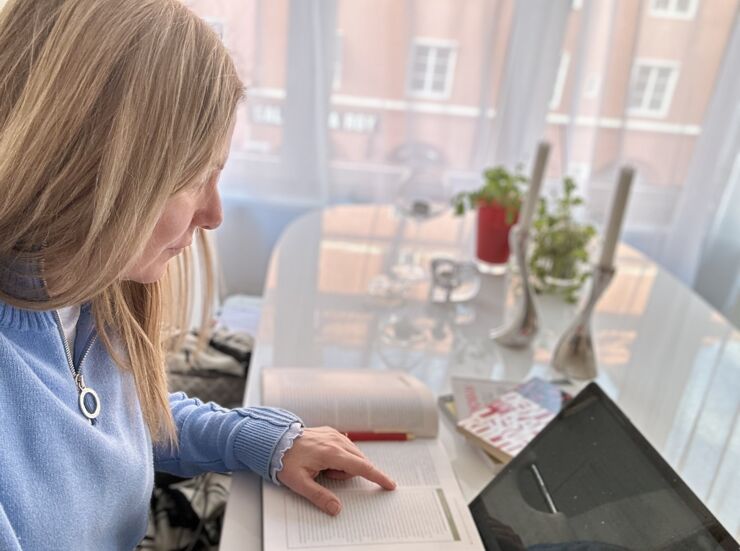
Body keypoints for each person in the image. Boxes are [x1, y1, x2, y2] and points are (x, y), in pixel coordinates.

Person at [0, 1, 395, 549]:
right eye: (194, 177)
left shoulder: (88, 291)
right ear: (92, 166)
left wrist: (262, 440)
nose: (214, 214)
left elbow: (130, 422)